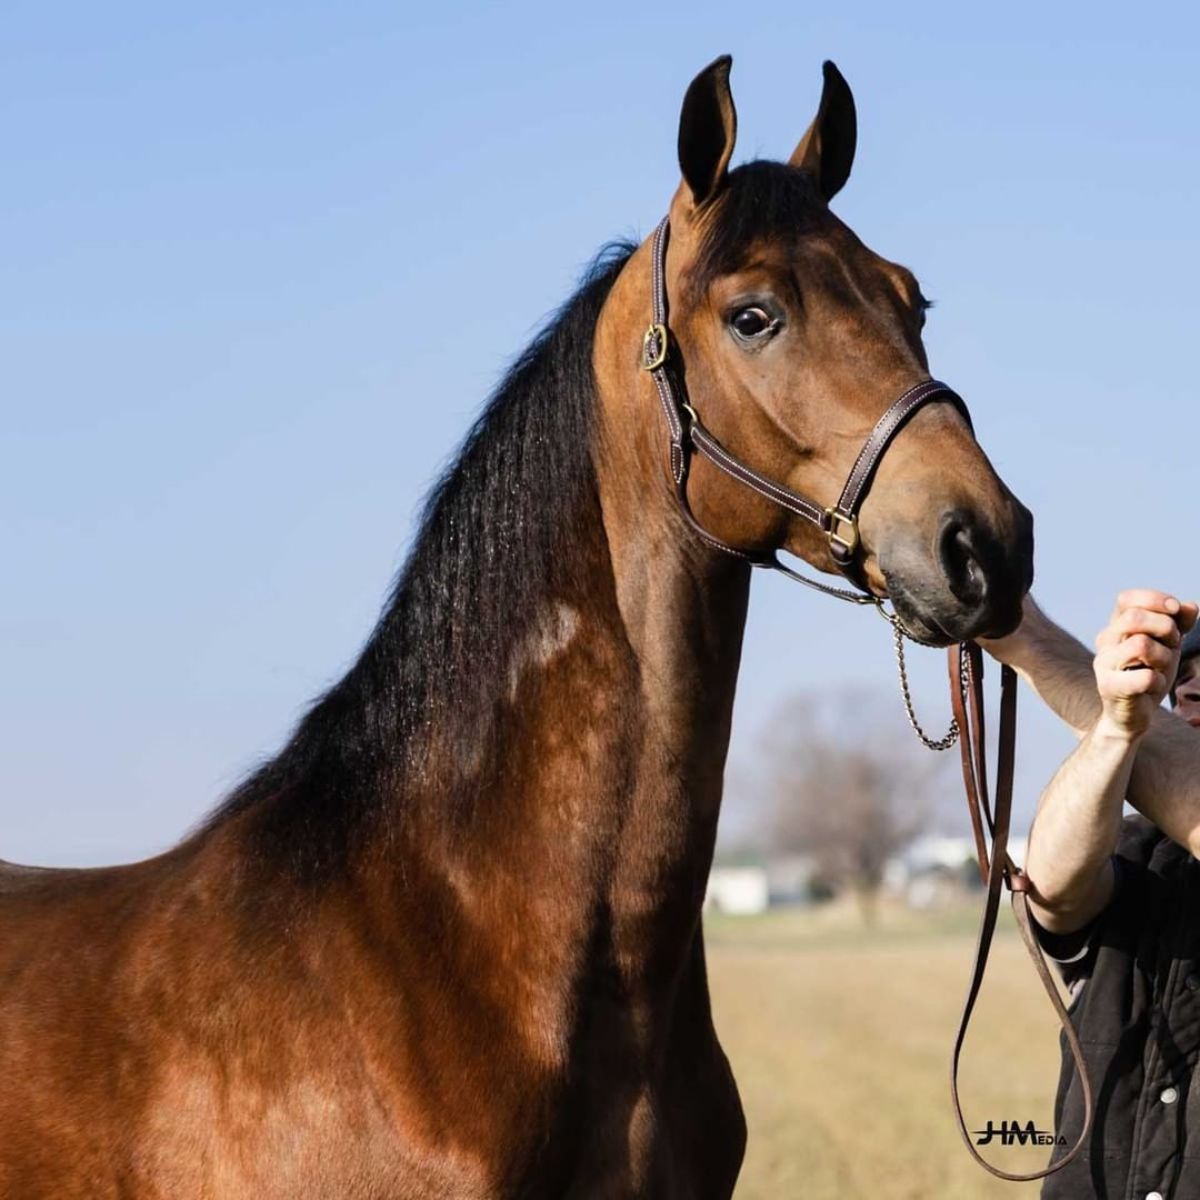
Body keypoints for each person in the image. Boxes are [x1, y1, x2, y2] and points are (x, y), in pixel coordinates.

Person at [982, 590, 1200, 1199]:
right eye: (1186, 682)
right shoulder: (1136, 851)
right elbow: (1053, 891)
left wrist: (1025, 637)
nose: (1190, 694)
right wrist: (1114, 729)